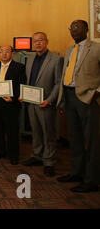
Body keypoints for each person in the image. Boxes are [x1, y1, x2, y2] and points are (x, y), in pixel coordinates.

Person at [56, 20, 100, 193]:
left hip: (87, 98)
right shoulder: (69, 50)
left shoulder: (96, 48)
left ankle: (92, 180)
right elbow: (66, 75)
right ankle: (76, 172)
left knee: (92, 141)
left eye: (78, 27)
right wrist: (61, 99)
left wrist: (97, 91)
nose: (74, 31)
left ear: (86, 29)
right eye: (71, 28)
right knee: (74, 138)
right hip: (69, 95)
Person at [20, 32, 63, 176]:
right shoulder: (31, 58)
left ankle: (49, 161)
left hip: (46, 102)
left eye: (41, 40)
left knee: (48, 132)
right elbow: (28, 79)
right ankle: (37, 155)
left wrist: (50, 100)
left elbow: (58, 83)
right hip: (31, 102)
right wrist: (23, 95)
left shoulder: (56, 59)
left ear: (47, 42)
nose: (37, 43)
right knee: (36, 130)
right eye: (35, 41)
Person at [0, 45, 26, 165]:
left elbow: (21, 84)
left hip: (11, 104)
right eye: (1, 52)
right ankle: (0, 151)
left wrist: (13, 97)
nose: (4, 54)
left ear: (12, 53)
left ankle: (13, 155)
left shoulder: (19, 67)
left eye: (7, 52)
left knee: (12, 130)